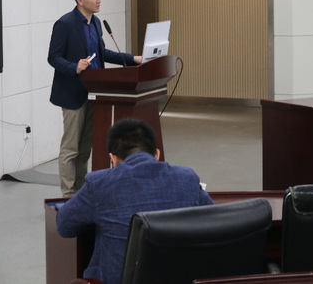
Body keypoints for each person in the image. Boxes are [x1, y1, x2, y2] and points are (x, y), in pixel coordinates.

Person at [55, 118, 214, 284]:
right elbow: (212, 223)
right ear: (157, 154)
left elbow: (64, 226)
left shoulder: (100, 184)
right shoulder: (187, 178)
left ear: (113, 159)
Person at [48, 0, 141, 197]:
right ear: (80, 0)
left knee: (85, 149)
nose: (99, 0)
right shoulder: (65, 24)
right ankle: (68, 196)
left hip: (96, 93)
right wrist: (74, 67)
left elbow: (102, 53)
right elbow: (53, 57)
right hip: (72, 94)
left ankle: (81, 192)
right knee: (71, 149)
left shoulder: (96, 23)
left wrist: (133, 59)